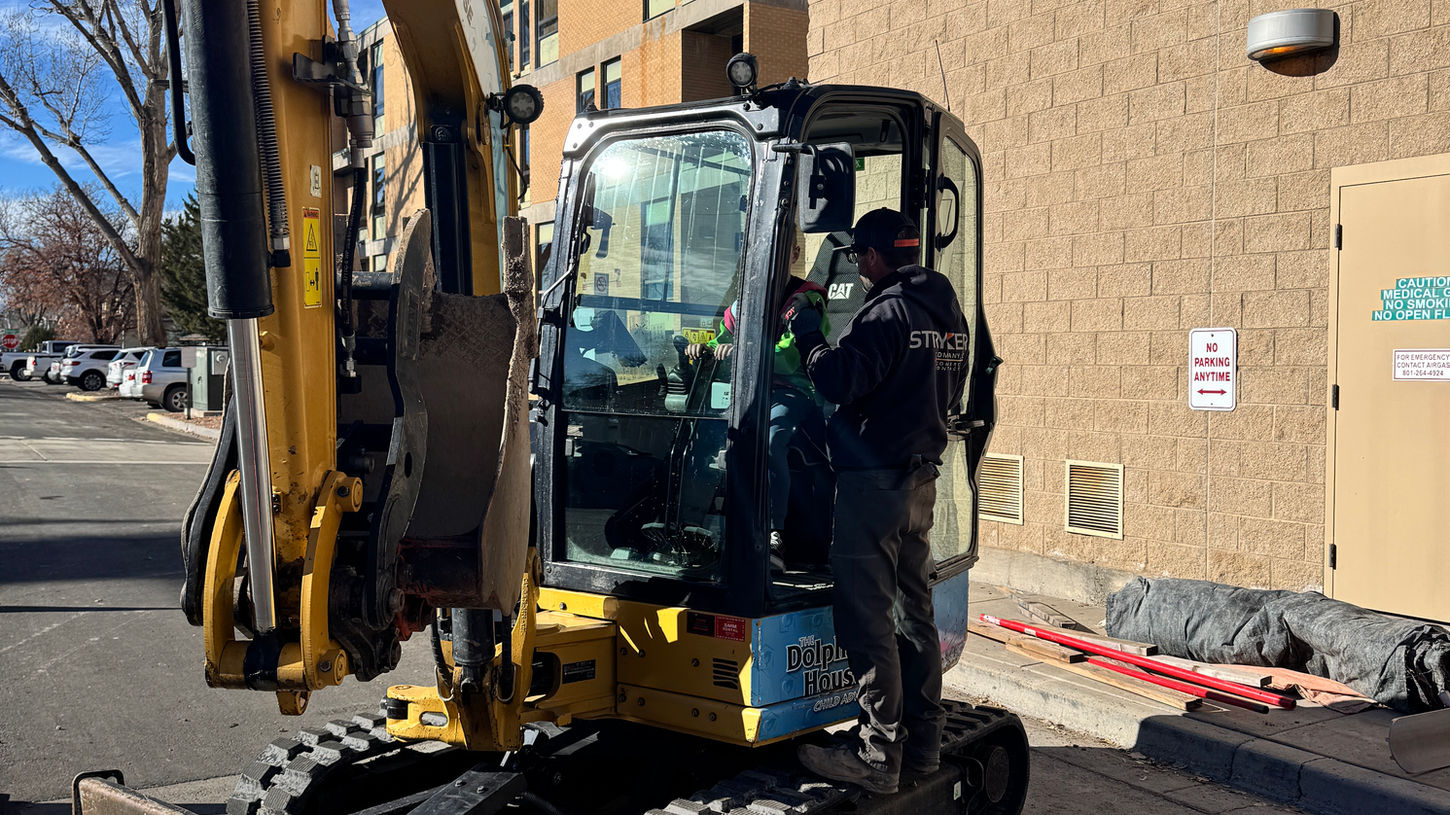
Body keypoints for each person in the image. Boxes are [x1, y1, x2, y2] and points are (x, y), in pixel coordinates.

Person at [786, 208, 971, 795]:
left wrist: (806, 330)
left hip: (874, 486)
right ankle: (922, 748)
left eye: (860, 258)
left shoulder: (887, 312)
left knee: (866, 619)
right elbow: (949, 388)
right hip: (920, 482)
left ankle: (876, 754)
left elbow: (838, 379)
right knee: (915, 616)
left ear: (870, 256)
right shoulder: (947, 312)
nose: (859, 268)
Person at [688, 235, 828, 570]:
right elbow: (723, 339)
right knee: (700, 435)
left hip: (793, 390)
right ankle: (692, 522)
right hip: (748, 392)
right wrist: (704, 349)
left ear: (795, 253)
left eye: (781, 249)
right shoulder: (743, 302)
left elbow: (792, 357)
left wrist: (743, 352)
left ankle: (774, 533)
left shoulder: (805, 299)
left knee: (769, 440)